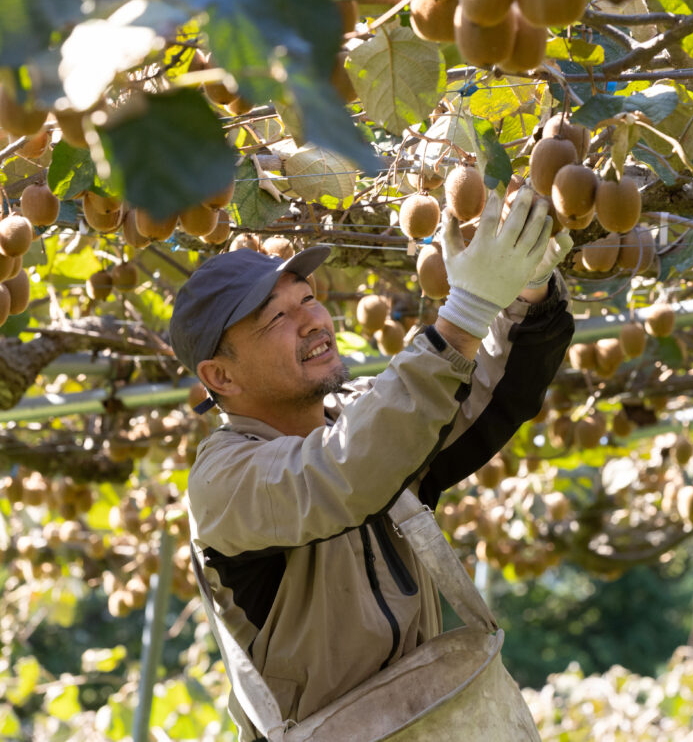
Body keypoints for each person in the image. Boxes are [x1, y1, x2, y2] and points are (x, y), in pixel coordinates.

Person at [168, 186, 574, 740]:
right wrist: (465, 313)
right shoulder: (223, 481)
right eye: (276, 318)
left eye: (307, 298)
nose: (311, 320)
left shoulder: (365, 421)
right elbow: (343, 473)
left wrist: (528, 293)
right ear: (221, 377)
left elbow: (490, 400)